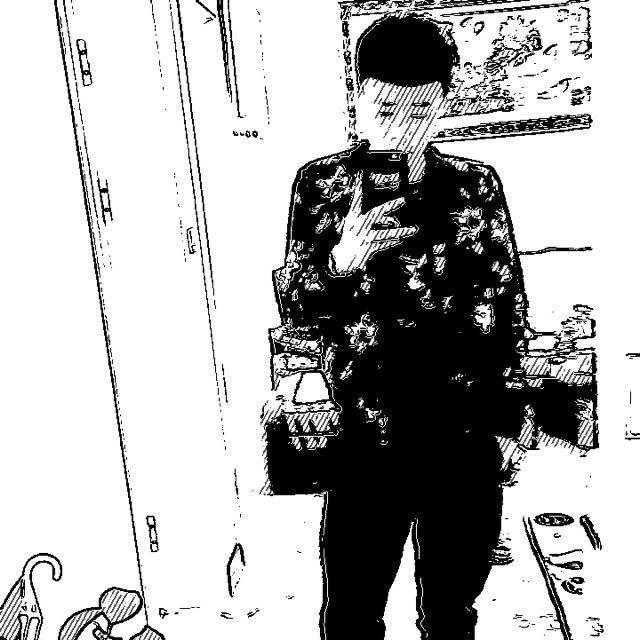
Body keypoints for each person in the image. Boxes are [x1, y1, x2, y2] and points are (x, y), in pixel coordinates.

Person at [272, 14, 528, 640]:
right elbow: (298, 313)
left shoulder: (476, 185)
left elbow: (508, 306)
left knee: (451, 611)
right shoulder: (321, 184)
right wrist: (342, 261)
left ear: (444, 101)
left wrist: (511, 425)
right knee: (351, 611)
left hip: (463, 432)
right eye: (386, 108)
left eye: (419, 109)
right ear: (358, 97)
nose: (402, 127)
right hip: (366, 435)